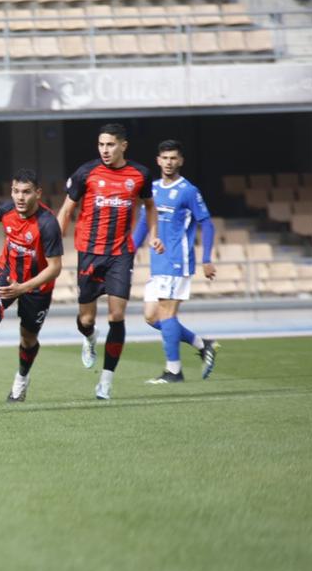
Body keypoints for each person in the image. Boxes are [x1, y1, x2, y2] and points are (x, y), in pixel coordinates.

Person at [56, 123, 160, 401]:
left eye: (110, 144)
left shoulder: (140, 175)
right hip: (88, 252)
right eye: (101, 144)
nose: (104, 150)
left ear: (123, 146)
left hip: (120, 254)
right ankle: (89, 338)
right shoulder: (86, 172)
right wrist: (52, 244)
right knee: (86, 319)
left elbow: (150, 206)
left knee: (117, 315)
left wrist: (153, 235)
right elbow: (67, 209)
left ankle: (106, 381)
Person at [0, 170, 64, 403]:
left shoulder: (48, 224)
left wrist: (23, 288)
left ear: (38, 193)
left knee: (28, 338)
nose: (20, 197)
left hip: (36, 287)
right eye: (16, 191)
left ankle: (21, 380)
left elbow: (55, 268)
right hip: (5, 276)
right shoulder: (8, 210)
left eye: (26, 192)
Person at [133, 140, 219, 384]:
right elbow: (143, 224)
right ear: (158, 160)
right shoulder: (152, 189)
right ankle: (203, 344)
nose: (169, 162)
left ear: (180, 161)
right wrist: (127, 250)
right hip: (157, 263)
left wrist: (206, 259)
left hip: (177, 261)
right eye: (165, 158)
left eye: (173, 158)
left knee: (167, 314)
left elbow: (207, 223)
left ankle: (174, 371)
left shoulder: (188, 190)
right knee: (151, 317)